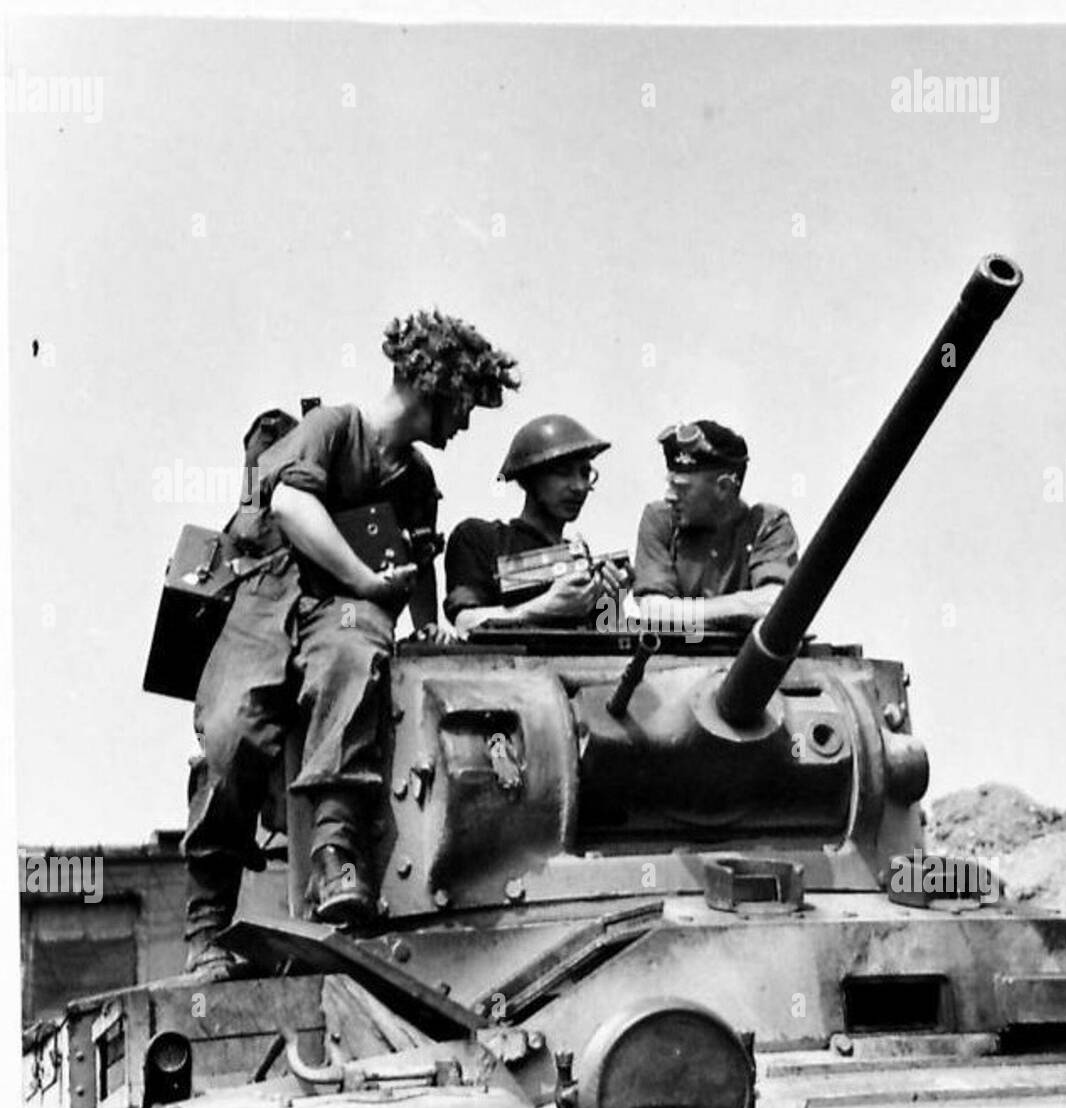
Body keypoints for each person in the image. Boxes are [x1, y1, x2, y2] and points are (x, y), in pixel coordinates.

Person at [180, 308, 520, 979]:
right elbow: (289, 508)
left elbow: (418, 559)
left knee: (354, 660)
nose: (465, 422)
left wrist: (425, 622)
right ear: (436, 389)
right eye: (465, 405)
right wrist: (367, 576)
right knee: (230, 736)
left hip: (343, 610)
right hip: (267, 595)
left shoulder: (417, 481)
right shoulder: (335, 428)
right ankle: (206, 925)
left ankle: (335, 856)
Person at [443, 414, 624, 633]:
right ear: (528, 478)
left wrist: (610, 603)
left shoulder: (578, 561)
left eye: (585, 473)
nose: (578, 486)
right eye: (563, 472)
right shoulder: (480, 539)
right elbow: (465, 623)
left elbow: (599, 646)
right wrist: (547, 606)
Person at [631, 420, 799, 630]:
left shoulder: (768, 524)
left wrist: (681, 611)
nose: (669, 496)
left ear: (724, 488)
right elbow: (654, 609)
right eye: (670, 484)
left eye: (682, 488)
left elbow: (777, 602)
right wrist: (743, 606)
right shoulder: (660, 519)